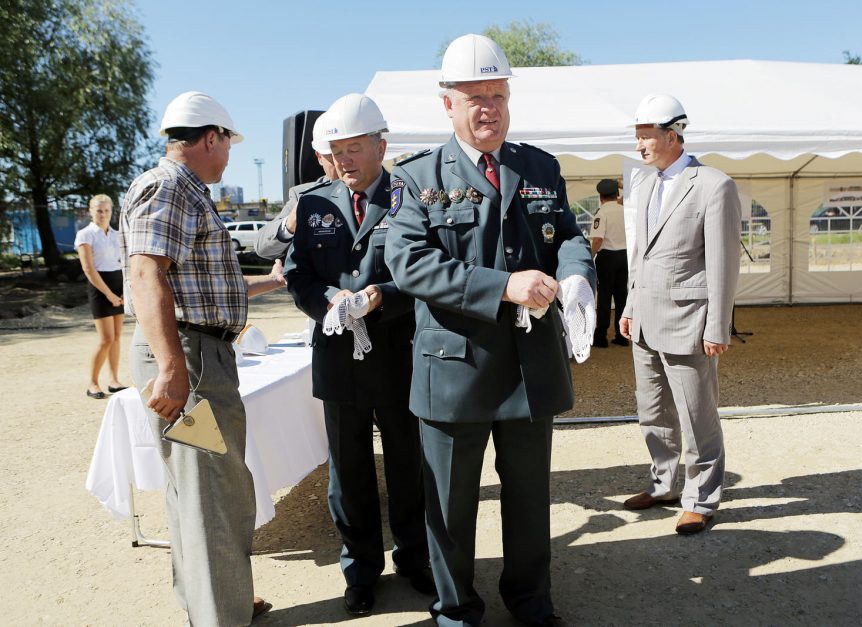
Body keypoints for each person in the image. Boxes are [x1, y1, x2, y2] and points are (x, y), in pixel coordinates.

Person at [384, 34, 596, 627]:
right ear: (446, 103)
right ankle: (456, 610)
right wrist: (503, 286)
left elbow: (570, 235)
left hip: (530, 367)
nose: (488, 107)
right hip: (456, 368)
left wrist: (578, 277)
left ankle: (531, 603)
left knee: (528, 501)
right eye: (474, 96)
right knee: (450, 506)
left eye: (497, 94)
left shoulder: (538, 166)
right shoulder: (417, 176)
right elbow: (409, 262)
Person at [120, 91, 285, 625]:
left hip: (195, 352)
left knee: (201, 490)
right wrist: (171, 368)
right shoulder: (169, 187)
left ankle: (220, 602)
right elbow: (147, 274)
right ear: (210, 137)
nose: (229, 155)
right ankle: (222, 617)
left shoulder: (183, 190)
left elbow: (204, 285)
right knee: (210, 493)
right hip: (188, 360)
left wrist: (271, 281)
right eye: (228, 144)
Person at [283, 93, 431, 617]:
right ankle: (360, 569)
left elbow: (427, 271)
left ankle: (416, 561)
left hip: (398, 353)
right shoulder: (314, 202)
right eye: (336, 150)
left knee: (409, 467)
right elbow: (297, 274)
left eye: (354, 148)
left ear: (380, 146)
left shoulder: (410, 196)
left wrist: (381, 297)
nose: (344, 159)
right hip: (339, 359)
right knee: (349, 475)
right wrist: (329, 300)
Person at [618, 94, 741, 535]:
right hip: (646, 320)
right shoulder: (646, 184)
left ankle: (702, 499)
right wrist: (629, 306)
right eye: (637, 138)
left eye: (645, 138)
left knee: (695, 414)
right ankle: (664, 483)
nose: (639, 147)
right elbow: (641, 256)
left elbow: (724, 262)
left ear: (672, 135)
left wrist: (717, 325)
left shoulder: (713, 184)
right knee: (651, 411)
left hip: (689, 321)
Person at [255, 113, 338, 260]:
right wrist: (289, 226)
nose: (340, 162)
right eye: (332, 156)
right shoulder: (303, 195)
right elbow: (262, 247)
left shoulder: (387, 191)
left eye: (351, 151)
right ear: (319, 157)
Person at [75, 193, 128, 398]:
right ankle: (93, 384)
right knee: (105, 339)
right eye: (99, 210)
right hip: (100, 288)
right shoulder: (85, 235)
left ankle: (114, 380)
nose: (103, 214)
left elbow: (123, 263)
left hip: (118, 286)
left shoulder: (116, 234)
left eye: (107, 210)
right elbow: (88, 269)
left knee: (116, 338)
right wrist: (110, 295)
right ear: (91, 211)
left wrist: (123, 290)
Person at [590, 178, 630, 348]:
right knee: (622, 297)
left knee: (604, 297)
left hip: (607, 257)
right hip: (624, 256)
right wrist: (621, 184)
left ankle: (601, 337)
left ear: (601, 197)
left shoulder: (602, 213)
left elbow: (598, 239)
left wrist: (590, 256)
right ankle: (622, 335)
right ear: (617, 194)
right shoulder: (625, 210)